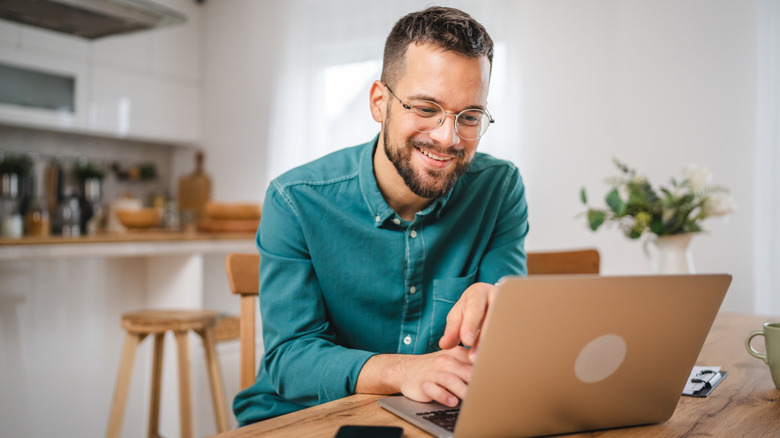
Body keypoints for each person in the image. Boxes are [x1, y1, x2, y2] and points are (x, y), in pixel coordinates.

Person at [233, 6, 529, 426]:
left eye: (470, 117)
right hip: (304, 416)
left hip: (435, 415)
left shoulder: (499, 188)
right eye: (426, 108)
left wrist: (501, 302)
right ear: (379, 102)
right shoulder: (295, 199)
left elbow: (505, 323)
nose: (448, 137)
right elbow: (290, 359)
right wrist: (405, 371)